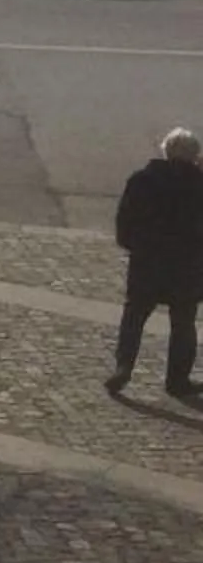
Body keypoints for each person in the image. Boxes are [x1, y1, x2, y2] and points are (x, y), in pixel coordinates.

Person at [111, 126, 203, 400]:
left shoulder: (142, 180)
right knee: (183, 323)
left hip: (147, 263)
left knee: (134, 317)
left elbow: (124, 224)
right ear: (195, 156)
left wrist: (136, 247)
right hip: (188, 268)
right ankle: (177, 380)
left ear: (165, 150)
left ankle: (124, 366)